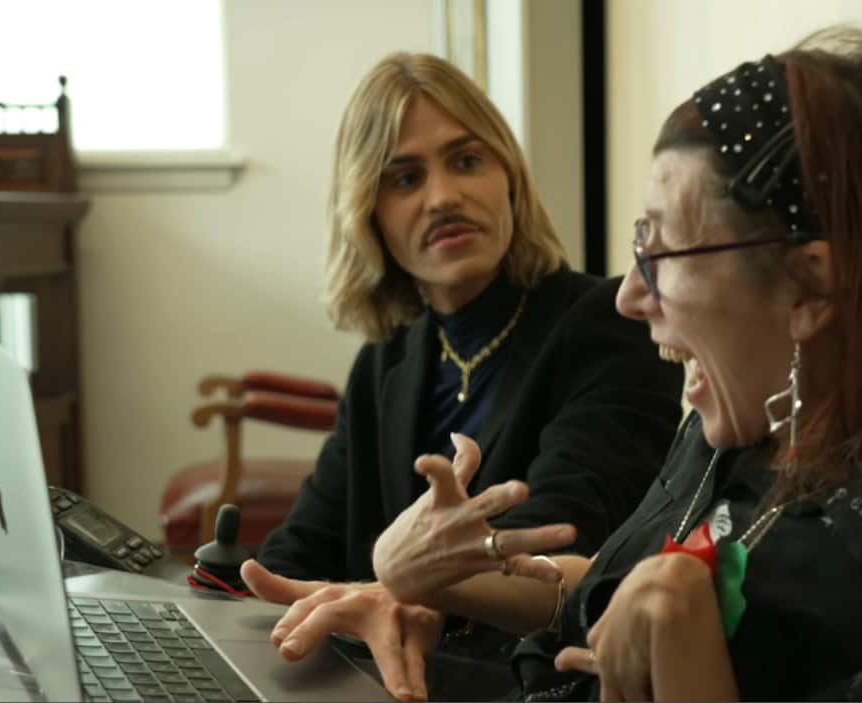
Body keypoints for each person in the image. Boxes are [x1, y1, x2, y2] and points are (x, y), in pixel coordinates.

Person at [357, 27, 862, 700]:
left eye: (662, 253)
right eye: (637, 244)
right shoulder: (765, 416)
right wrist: (431, 574)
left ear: (811, 286)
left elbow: (682, 613)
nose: (627, 296)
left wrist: (679, 630)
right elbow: (618, 595)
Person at [240, 52, 684, 700]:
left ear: (509, 177)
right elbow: (300, 551)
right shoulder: (386, 361)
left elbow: (562, 554)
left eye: (467, 160)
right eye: (405, 177)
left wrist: (394, 586)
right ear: (369, 213)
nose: (444, 196)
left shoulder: (608, 324)